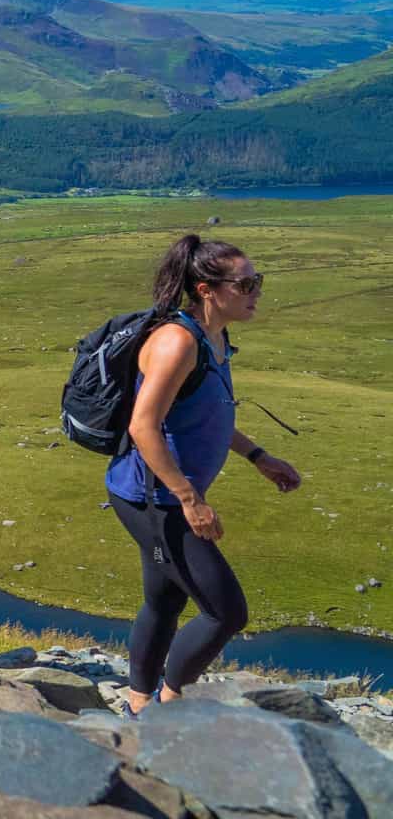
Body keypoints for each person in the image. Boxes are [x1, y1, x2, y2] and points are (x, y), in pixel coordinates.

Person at [106, 235, 300, 715]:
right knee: (226, 612)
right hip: (154, 502)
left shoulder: (214, 339)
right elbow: (143, 426)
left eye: (258, 280)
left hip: (161, 498)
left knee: (164, 601)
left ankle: (138, 705)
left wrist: (258, 456)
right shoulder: (177, 342)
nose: (256, 291)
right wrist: (190, 499)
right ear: (207, 289)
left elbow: (208, 414)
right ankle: (169, 704)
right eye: (247, 283)